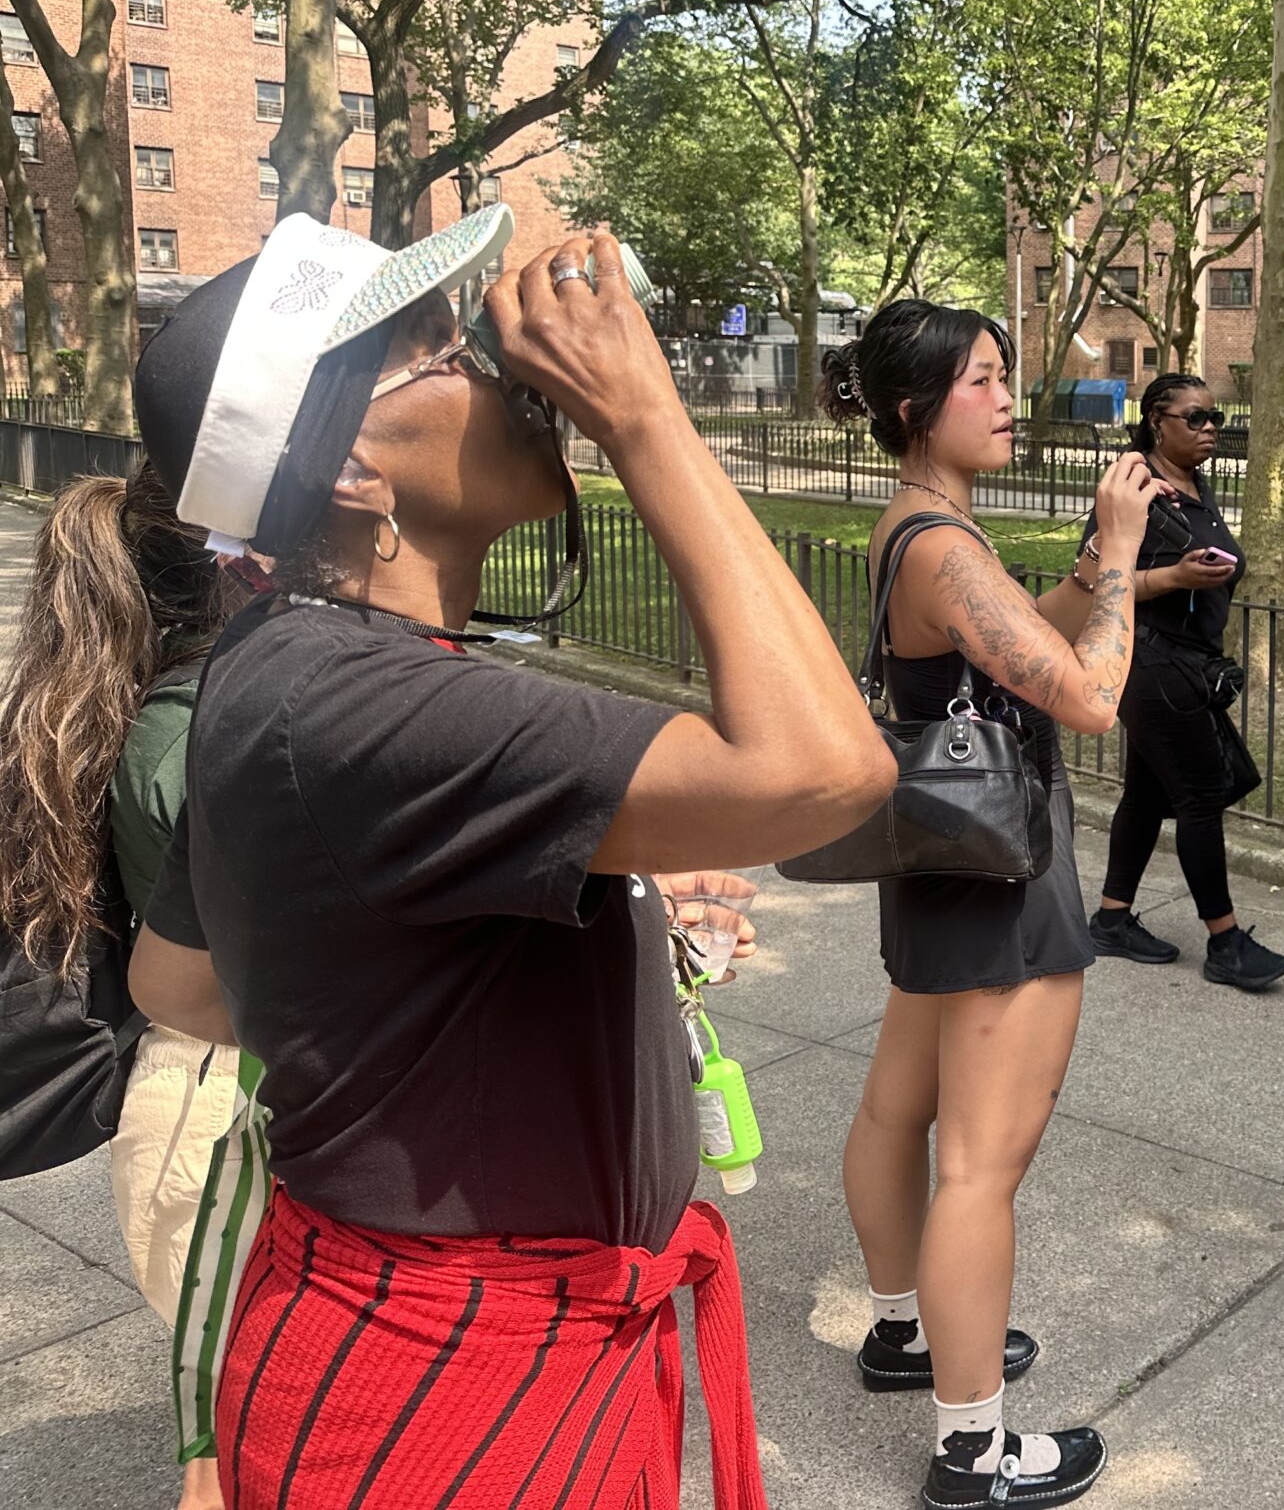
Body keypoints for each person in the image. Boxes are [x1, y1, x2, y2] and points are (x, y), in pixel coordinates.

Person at [126, 209, 894, 1510]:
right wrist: (644, 416)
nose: (499, 365)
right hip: (453, 1398)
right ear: (353, 468)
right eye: (441, 346)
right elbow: (825, 767)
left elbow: (178, 979)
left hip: (439, 1353)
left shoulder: (282, 665)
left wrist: (521, 901)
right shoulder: (366, 705)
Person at [825, 302, 1152, 1510]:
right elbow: (1089, 700)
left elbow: (1018, 649)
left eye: (1005, 376)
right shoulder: (942, 548)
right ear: (917, 408)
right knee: (979, 1169)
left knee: (895, 1109)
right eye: (981, 380)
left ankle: (904, 1331)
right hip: (1001, 876)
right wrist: (1124, 560)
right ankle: (973, 1452)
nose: (1008, 398)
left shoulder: (920, 527)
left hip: (944, 862)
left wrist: (1089, 572)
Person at [0, 468, 236, 1510]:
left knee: (231, 1432)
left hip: (208, 1107)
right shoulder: (199, 739)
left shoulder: (178, 717)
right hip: (225, 1115)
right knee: (235, 1451)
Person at [1086, 372, 1284, 988]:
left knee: (1145, 795)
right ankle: (1225, 943)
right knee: (1200, 797)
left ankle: (1111, 920)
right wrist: (1174, 577)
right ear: (1156, 421)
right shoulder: (1132, 487)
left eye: (1215, 418)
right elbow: (1096, 581)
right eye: (1194, 418)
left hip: (1189, 662)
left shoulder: (1194, 485)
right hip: (1152, 665)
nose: (1209, 429)